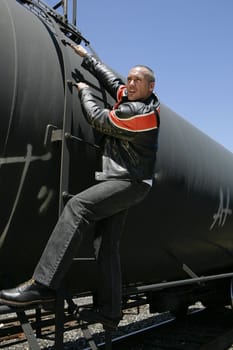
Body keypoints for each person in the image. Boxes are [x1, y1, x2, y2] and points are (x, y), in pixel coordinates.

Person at [0, 44, 160, 330]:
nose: (130, 83)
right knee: (106, 245)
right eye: (130, 78)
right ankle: (110, 312)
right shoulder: (131, 95)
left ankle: (43, 284)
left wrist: (85, 91)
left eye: (138, 80)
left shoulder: (141, 114)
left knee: (78, 206)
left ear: (151, 86)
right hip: (125, 180)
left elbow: (98, 119)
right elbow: (114, 83)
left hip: (128, 181)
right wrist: (89, 59)